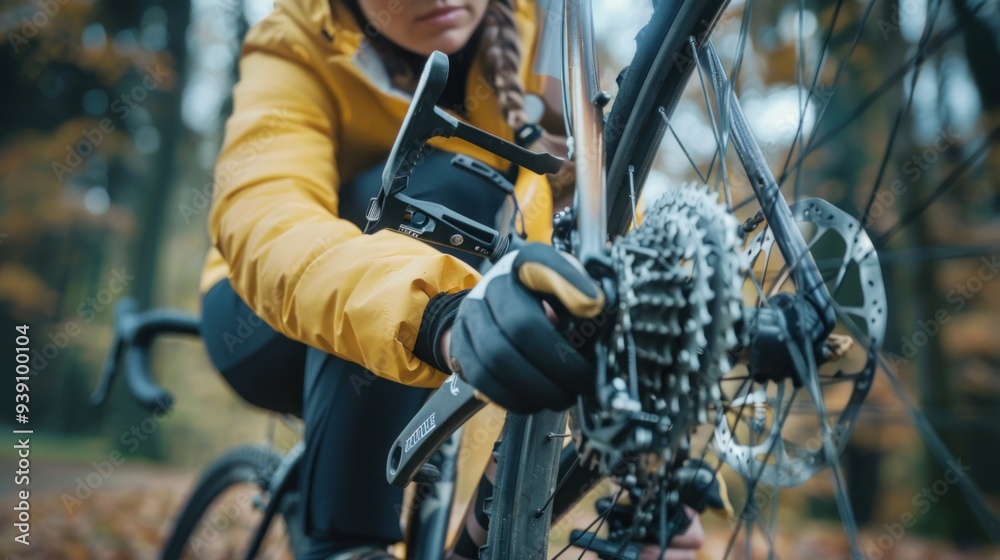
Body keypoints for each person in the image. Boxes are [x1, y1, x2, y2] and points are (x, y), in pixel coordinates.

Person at [199, 0, 710, 558]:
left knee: (469, 191)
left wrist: (650, 439)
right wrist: (437, 312)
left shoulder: (540, 29)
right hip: (266, 312)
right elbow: (264, 216)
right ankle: (344, 543)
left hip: (464, 288)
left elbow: (598, 216)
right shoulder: (294, 38)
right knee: (449, 183)